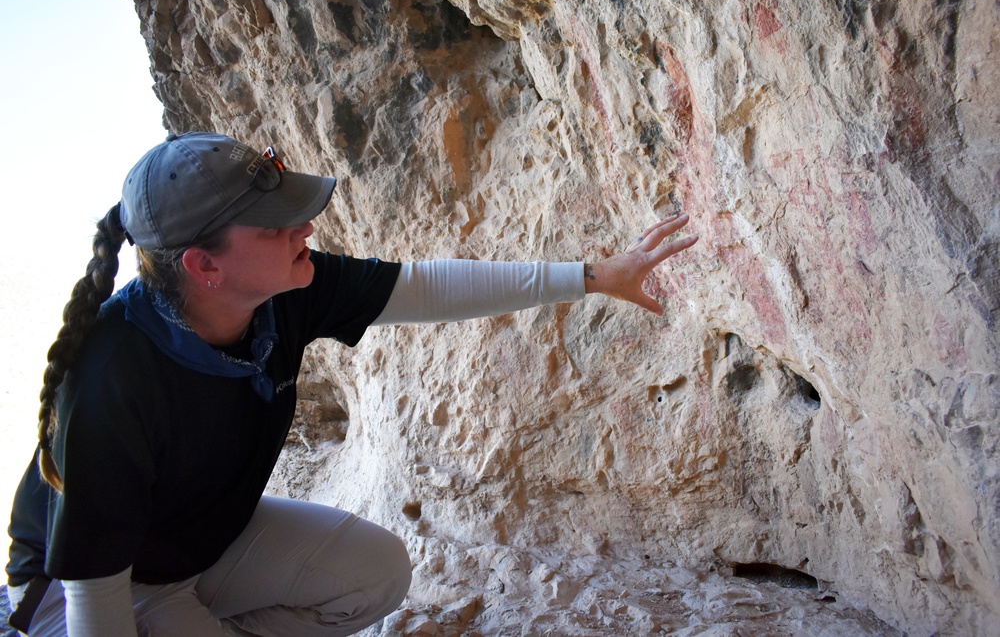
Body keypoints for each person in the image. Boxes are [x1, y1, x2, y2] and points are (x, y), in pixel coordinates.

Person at [4, 132, 698, 636]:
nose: (304, 224)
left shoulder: (280, 288)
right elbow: (93, 590)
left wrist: (593, 276)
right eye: (275, 222)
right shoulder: (111, 377)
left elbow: (422, 286)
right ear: (203, 266)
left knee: (377, 571)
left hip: (199, 549)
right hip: (101, 591)